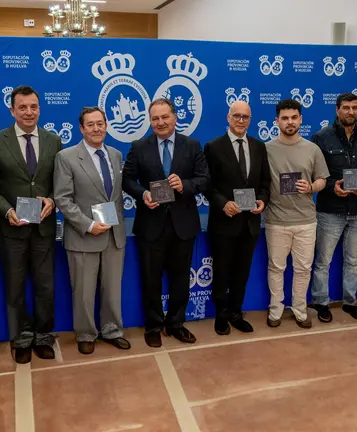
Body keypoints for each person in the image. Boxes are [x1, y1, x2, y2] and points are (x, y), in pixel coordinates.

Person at [0, 85, 62, 363]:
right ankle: (22, 338)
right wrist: (5, 211)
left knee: (45, 287)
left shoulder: (54, 140)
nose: (29, 112)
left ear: (40, 108)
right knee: (14, 287)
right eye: (23, 107)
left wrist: (52, 200)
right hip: (12, 229)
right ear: (12, 110)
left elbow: (60, 185)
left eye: (33, 106)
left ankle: (43, 336)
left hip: (44, 229)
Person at [123, 98, 210, 347]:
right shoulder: (139, 146)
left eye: (165, 117)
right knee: (150, 278)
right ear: (150, 121)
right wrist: (143, 195)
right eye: (155, 118)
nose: (160, 122)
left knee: (181, 278)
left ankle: (176, 324)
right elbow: (127, 181)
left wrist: (186, 186)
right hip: (151, 224)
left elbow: (204, 179)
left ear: (175, 117)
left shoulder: (192, 145)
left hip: (183, 224)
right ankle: (153, 326)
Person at [53, 107, 131, 355]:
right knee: (84, 292)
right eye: (91, 124)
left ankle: (112, 330)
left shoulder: (116, 155)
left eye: (100, 123)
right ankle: (86, 334)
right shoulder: (66, 157)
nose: (96, 128)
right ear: (81, 128)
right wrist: (87, 224)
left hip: (113, 235)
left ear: (106, 125)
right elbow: (63, 199)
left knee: (112, 289)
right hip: (83, 236)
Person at [310, 93, 357, 322]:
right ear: (337, 110)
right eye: (346, 108)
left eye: (355, 108)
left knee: (353, 261)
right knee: (323, 261)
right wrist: (332, 187)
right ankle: (321, 303)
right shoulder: (321, 138)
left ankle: (350, 302)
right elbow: (316, 175)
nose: (351, 112)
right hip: (330, 210)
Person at [203, 100, 270, 335]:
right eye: (237, 116)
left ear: (250, 120)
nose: (241, 120)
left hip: (250, 223)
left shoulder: (259, 147)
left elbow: (265, 183)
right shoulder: (213, 147)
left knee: (242, 272)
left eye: (245, 117)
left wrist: (262, 200)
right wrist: (223, 204)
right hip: (224, 223)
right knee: (221, 272)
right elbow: (207, 185)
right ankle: (221, 316)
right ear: (228, 117)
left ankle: (235, 313)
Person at [264, 99, 329, 328]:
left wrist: (311, 187)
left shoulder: (313, 149)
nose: (289, 122)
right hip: (276, 221)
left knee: (303, 269)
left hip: (306, 221)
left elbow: (322, 179)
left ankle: (300, 310)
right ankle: (276, 310)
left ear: (300, 119)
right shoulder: (267, 149)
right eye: (284, 118)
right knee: (276, 268)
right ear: (277, 121)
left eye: (294, 117)